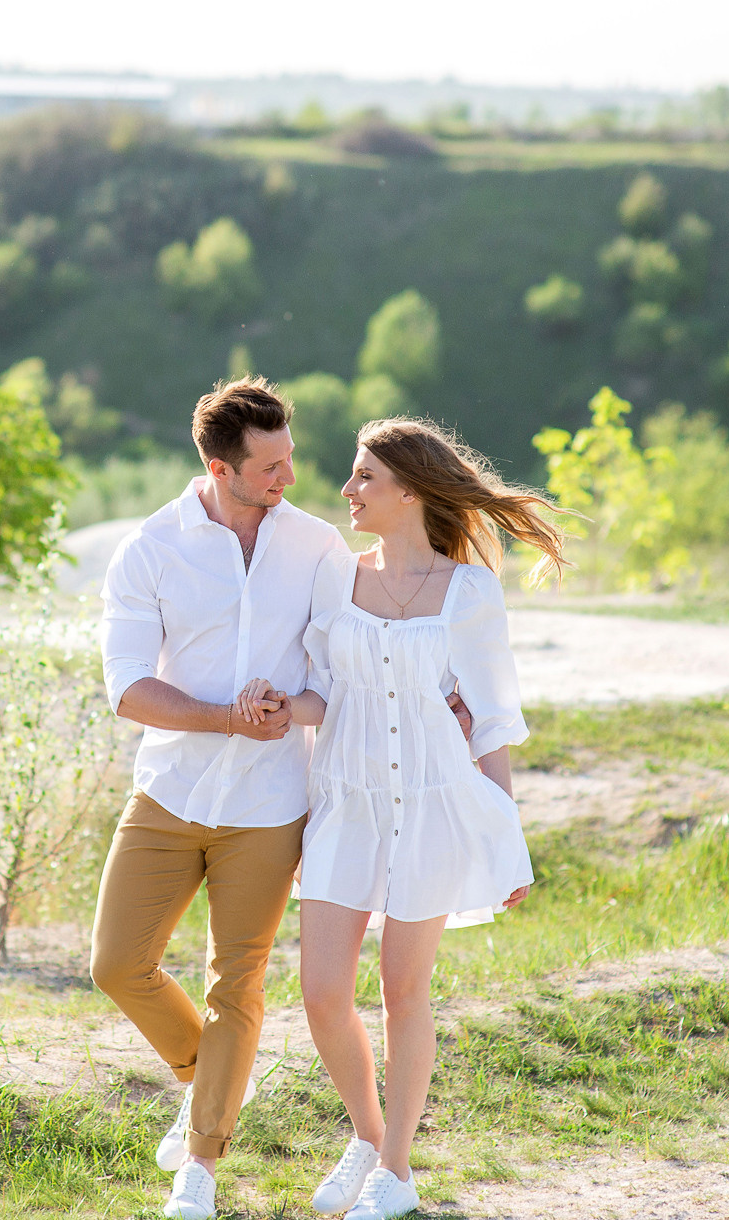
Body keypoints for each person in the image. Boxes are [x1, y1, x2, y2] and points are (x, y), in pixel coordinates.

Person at [237, 416, 569, 1219]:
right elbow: (326, 692)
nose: (347, 490)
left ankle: (396, 1169)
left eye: (364, 478)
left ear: (411, 490)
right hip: (345, 805)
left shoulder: (469, 592)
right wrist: (283, 707)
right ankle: (364, 1134)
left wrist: (505, 838)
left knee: (403, 989)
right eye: (352, 477)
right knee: (321, 990)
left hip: (432, 807)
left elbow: (491, 720)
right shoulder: (335, 579)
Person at [91, 377, 347, 1220]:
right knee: (117, 963)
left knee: (236, 984)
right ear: (219, 466)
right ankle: (213, 1081)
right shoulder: (150, 547)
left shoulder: (315, 546)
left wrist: (287, 708)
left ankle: (197, 1169)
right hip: (169, 790)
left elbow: (344, 655)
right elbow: (127, 687)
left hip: (272, 803)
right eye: (270, 466)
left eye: (290, 459)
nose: (288, 479)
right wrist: (223, 720)